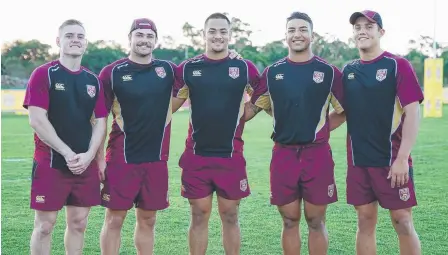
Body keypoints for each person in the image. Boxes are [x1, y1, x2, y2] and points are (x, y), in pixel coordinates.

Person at [172, 12, 270, 255]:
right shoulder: (188, 68)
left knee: (230, 215)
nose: (217, 36)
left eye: (223, 31)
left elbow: (262, 91)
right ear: (204, 34)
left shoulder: (243, 66)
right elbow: (169, 107)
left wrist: (250, 111)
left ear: (229, 34)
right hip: (196, 156)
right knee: (198, 215)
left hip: (230, 155)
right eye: (212, 31)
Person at [246, 12, 344, 254]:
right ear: (285, 35)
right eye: (292, 30)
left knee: (316, 220)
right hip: (284, 155)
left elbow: (344, 111)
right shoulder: (272, 73)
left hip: (317, 155)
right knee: (289, 220)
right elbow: (251, 110)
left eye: (302, 29)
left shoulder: (329, 72)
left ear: (312, 35)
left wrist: (319, 128)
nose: (297, 34)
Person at [330, 10, 423, 255]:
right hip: (359, 161)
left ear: (381, 32)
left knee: (402, 221)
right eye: (358, 27)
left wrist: (402, 158)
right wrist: (308, 130)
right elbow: (342, 113)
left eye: (369, 26)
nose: (362, 30)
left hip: (392, 159)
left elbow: (413, 112)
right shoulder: (348, 70)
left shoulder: (396, 65)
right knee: (365, 221)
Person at [23, 19, 107, 255]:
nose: (75, 40)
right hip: (51, 162)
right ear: (59, 41)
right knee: (45, 226)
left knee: (79, 223)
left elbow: (100, 121)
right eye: (69, 35)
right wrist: (68, 153)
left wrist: (90, 155)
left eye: (80, 36)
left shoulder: (93, 81)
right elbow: (37, 119)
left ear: (85, 44)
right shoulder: (43, 74)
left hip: (84, 164)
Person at [97, 18, 179, 255]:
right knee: (114, 219)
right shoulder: (111, 72)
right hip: (122, 157)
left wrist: (231, 55)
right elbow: (100, 119)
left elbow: (201, 69)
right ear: (130, 38)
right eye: (139, 35)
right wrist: (99, 158)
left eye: (149, 36)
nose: (144, 40)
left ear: (155, 40)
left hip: (156, 158)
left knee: (148, 219)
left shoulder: (169, 70)